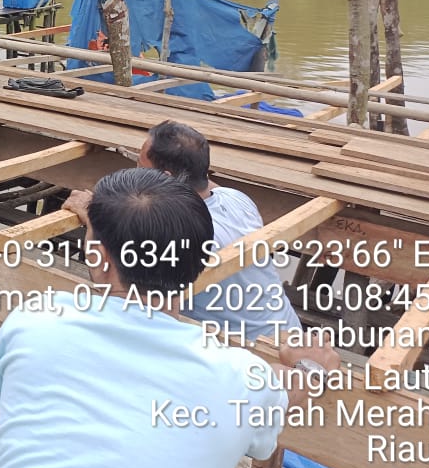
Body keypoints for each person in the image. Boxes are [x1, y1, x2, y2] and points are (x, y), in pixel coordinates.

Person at [0, 168, 340, 468]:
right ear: (198, 266)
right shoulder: (242, 376)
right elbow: (291, 389)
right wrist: (309, 367)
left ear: (99, 259)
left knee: (2, 437)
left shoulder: (36, 316)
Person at [64, 120, 302, 342]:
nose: (135, 170)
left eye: (139, 165)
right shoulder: (237, 199)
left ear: (164, 178)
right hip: (287, 332)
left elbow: (109, 257)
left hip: (248, 350)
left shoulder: (180, 232)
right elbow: (203, 186)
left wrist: (92, 214)